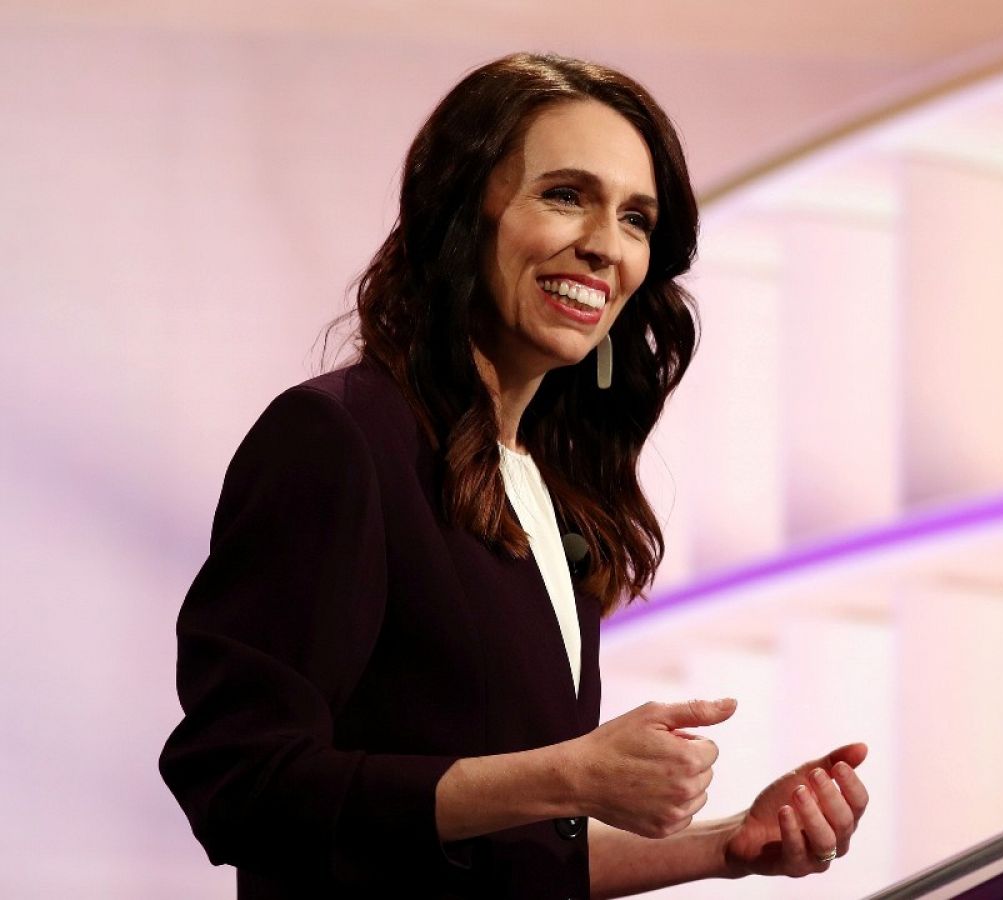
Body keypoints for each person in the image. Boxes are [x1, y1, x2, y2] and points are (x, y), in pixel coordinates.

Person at [159, 52, 869, 899]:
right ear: (464, 211)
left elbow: (506, 859)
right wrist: (568, 777)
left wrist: (728, 846)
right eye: (565, 194)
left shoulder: (549, 485)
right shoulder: (340, 438)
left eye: (636, 219)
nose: (605, 246)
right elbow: (242, 785)